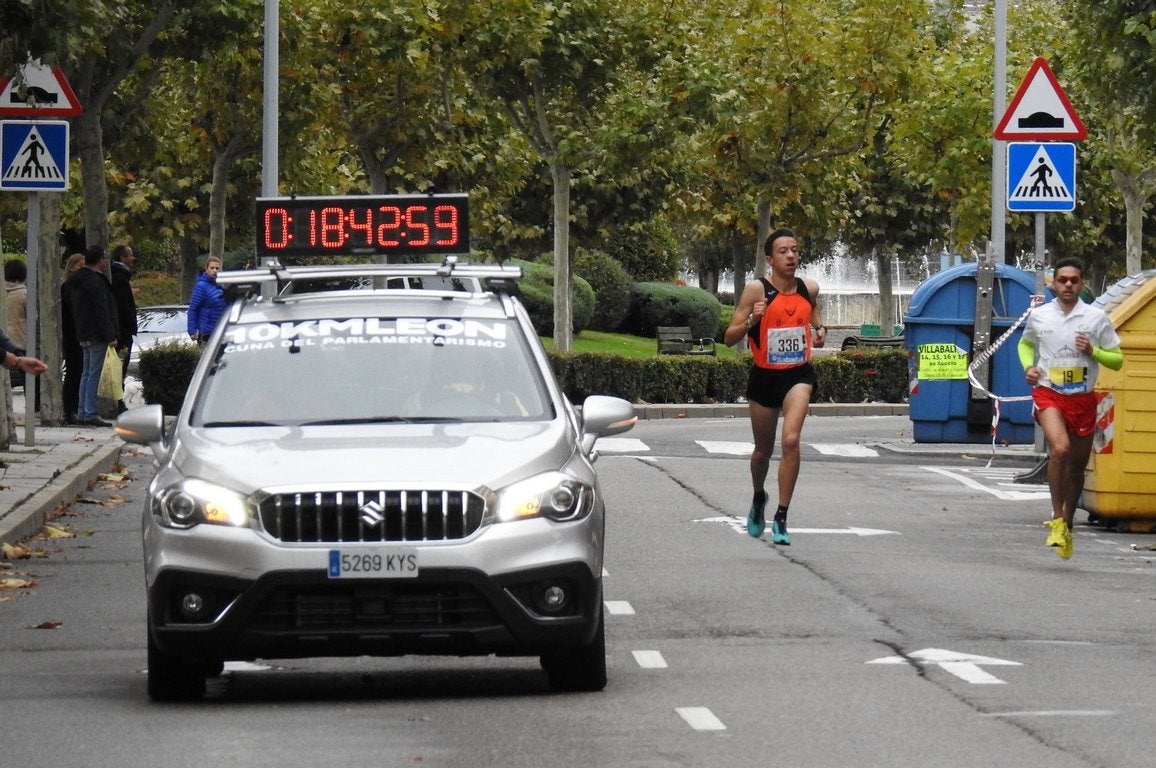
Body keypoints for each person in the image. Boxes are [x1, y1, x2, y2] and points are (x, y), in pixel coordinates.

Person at [724, 227, 827, 545]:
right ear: (770, 259)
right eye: (783, 251)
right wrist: (752, 321)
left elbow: (816, 321)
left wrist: (820, 331)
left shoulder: (809, 289)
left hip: (798, 374)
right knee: (762, 452)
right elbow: (729, 338)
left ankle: (781, 516)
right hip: (764, 377)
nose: (791, 255)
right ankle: (758, 498)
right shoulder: (756, 290)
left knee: (792, 441)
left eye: (794, 249)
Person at [1019, 257, 1123, 560]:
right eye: (1062, 279)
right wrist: (1029, 368)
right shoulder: (1039, 316)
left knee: (1076, 468)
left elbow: (1117, 360)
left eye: (1073, 280)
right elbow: (1025, 345)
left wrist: (1094, 351)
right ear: (1053, 283)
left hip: (1082, 398)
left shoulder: (1095, 318)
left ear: (1082, 283)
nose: (1067, 284)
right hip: (1049, 393)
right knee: (1060, 449)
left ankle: (1068, 520)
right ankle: (1056, 516)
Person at [68, 246, 119, 427]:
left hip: (83, 331)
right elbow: (101, 310)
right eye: (104, 258)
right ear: (100, 261)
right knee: (93, 374)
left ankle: (82, 410)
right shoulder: (96, 282)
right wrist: (110, 335)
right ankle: (90, 412)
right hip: (96, 333)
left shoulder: (76, 281)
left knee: (86, 373)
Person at [109, 244, 138, 412]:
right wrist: (129, 323)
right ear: (122, 257)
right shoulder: (120, 278)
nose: (133, 258)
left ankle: (117, 401)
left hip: (121, 329)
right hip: (122, 331)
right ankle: (117, 402)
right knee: (120, 365)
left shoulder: (119, 276)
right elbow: (122, 306)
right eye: (130, 255)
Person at [60, 253, 85, 424]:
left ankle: (75, 408)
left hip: (78, 333)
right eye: (79, 266)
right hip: (72, 335)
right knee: (74, 372)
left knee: (78, 371)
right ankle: (70, 409)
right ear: (72, 267)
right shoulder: (69, 287)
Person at [187, 255, 225, 343]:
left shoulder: (220, 285)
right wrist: (192, 330)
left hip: (220, 330)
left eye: (217, 268)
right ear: (206, 268)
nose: (214, 270)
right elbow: (193, 308)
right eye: (212, 268)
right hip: (206, 332)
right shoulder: (201, 286)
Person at [4, 259, 28, 388]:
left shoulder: (3, 294)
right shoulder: (25, 294)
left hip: (3, 343)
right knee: (28, 379)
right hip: (21, 343)